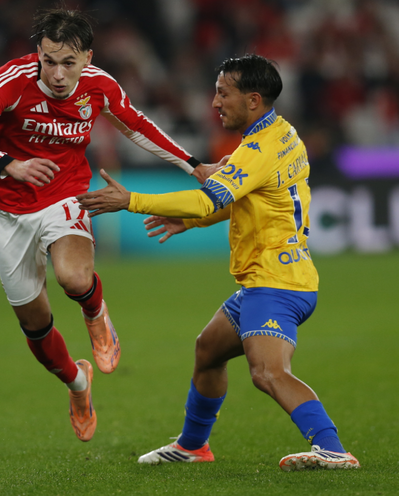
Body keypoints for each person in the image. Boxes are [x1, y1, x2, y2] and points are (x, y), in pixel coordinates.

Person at [0, 7, 216, 442]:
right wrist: (10, 164)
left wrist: (194, 165)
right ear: (38, 53)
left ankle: (96, 314)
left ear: (87, 58)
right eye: (48, 61)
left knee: (73, 277)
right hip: (4, 208)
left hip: (63, 194)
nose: (56, 74)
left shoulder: (99, 86)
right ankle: (77, 383)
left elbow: (136, 125)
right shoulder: (11, 81)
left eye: (68, 63)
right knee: (35, 325)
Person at [77, 54, 361, 470]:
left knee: (267, 372)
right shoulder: (281, 134)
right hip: (271, 277)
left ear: (253, 99)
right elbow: (244, 199)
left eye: (223, 93)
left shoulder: (259, 149)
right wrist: (191, 222)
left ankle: (332, 450)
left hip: (277, 282)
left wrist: (131, 200)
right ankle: (193, 446)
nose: (215, 102)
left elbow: (209, 198)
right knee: (208, 350)